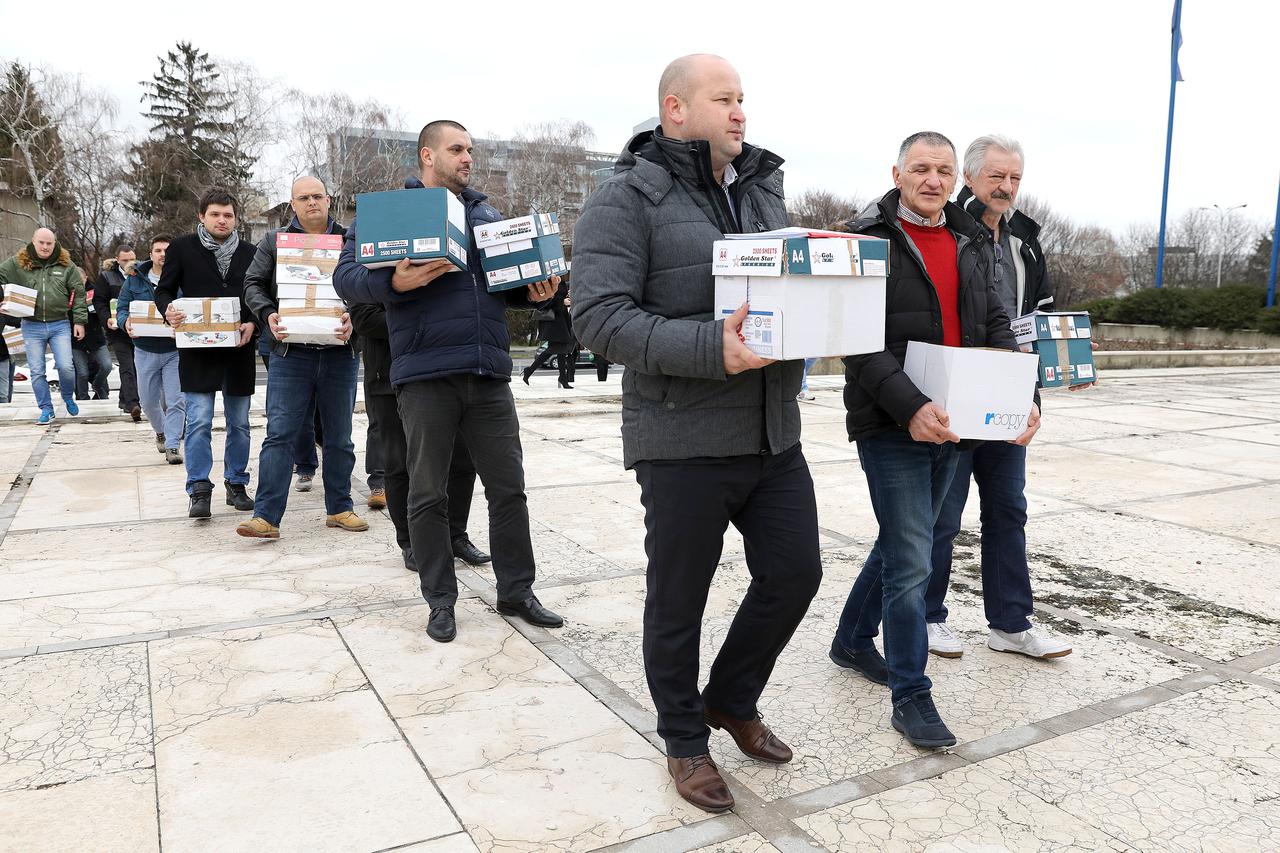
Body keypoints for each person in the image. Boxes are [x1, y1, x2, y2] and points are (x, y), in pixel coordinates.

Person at [572, 54, 821, 814]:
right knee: (678, 598)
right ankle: (684, 737)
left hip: (772, 432)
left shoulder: (763, 194)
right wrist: (711, 347)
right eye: (724, 98)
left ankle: (730, 697)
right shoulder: (625, 199)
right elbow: (598, 317)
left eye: (744, 98)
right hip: (681, 435)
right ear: (676, 110)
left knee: (796, 571)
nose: (741, 111)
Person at [828, 131, 1038, 750]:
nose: (932, 179)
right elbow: (858, 341)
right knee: (914, 554)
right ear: (897, 172)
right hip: (891, 421)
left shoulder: (971, 239)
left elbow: (997, 322)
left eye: (943, 170)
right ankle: (911, 694)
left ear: (955, 178)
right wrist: (912, 406)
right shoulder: (867, 237)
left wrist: (1023, 395)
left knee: (907, 542)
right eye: (920, 168)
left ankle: (850, 640)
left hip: (960, 420)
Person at [333, 119, 562, 643]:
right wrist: (391, 280)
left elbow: (505, 287)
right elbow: (344, 275)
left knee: (509, 490)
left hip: (487, 374)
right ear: (427, 156)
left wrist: (537, 294)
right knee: (427, 492)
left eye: (471, 150)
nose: (467, 158)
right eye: (457, 149)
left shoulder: (487, 215)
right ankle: (440, 600)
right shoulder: (392, 212)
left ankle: (516, 591)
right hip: (424, 375)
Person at [923, 135, 1071, 660]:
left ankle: (1010, 622)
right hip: (958, 391)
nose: (1006, 188)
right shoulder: (950, 229)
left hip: (1011, 393)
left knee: (1008, 509)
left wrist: (1051, 374)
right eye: (996, 178)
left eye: (1014, 179)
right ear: (969, 178)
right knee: (944, 512)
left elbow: (1040, 317)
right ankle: (928, 616)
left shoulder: (1025, 240)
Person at [237, 176, 366, 538]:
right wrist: (267, 314)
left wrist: (355, 315)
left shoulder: (350, 240)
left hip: (340, 352)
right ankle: (266, 517)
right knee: (279, 434)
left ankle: (340, 508)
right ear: (292, 204)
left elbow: (370, 283)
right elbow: (252, 284)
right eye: (303, 198)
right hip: (291, 353)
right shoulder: (275, 242)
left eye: (317, 196)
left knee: (340, 436)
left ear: (328, 200)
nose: (312, 202)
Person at [349, 300, 490, 572]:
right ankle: (410, 542)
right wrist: (426, 317)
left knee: (461, 460)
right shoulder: (371, 260)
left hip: (446, 374)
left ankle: (455, 535)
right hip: (389, 378)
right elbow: (365, 319)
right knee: (400, 464)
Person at [153, 188, 259, 519]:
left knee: (240, 423)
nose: (222, 220)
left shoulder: (251, 252)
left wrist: (253, 322)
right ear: (202, 216)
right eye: (215, 214)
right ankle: (198, 488)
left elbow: (262, 294)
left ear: (236, 219)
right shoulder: (183, 248)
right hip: (198, 351)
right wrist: (167, 310)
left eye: (228, 215)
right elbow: (164, 289)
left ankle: (236, 483)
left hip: (239, 350)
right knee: (198, 421)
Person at [0, 227, 85, 423]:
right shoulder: (18, 263)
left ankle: (67, 397)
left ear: (54, 244)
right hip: (31, 325)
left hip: (60, 324)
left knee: (65, 366)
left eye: (49, 243)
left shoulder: (66, 264)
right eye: (42, 243)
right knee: (37, 370)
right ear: (33, 241)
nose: (45, 247)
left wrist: (79, 321)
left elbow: (79, 292)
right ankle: (46, 408)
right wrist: (3, 299)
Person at [118, 235, 185, 464]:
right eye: (158, 250)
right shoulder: (135, 279)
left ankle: (173, 445)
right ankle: (161, 431)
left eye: (167, 250)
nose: (163, 254)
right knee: (147, 401)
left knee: (176, 400)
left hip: (174, 350)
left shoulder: (182, 276)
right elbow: (121, 308)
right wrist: (124, 321)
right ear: (151, 254)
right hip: (144, 349)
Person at [95, 245, 142, 421]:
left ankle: (124, 399)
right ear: (117, 260)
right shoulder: (106, 277)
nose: (130, 263)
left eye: (132, 259)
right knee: (127, 366)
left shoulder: (140, 274)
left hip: (138, 329)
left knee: (137, 366)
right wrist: (106, 318)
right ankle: (133, 404)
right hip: (117, 330)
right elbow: (99, 301)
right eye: (125, 260)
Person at [521, 278, 577, 389]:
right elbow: (545, 301)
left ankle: (562, 378)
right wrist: (562, 302)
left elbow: (560, 296)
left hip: (561, 319)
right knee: (554, 349)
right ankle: (530, 370)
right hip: (553, 321)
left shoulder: (561, 280)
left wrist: (567, 297)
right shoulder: (548, 280)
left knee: (562, 349)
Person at [72, 266, 113, 401]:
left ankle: (97, 384)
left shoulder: (94, 292)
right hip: (76, 341)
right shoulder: (67, 295)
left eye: (80, 280)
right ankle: (82, 398)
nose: (78, 283)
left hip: (96, 338)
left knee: (107, 365)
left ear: (86, 279)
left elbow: (103, 309)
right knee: (82, 373)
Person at [0, 313, 19, 402]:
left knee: (4, 389)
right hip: (4, 355)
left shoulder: (4, 315)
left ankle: (5, 403)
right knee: (4, 390)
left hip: (4, 355)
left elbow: (20, 322)